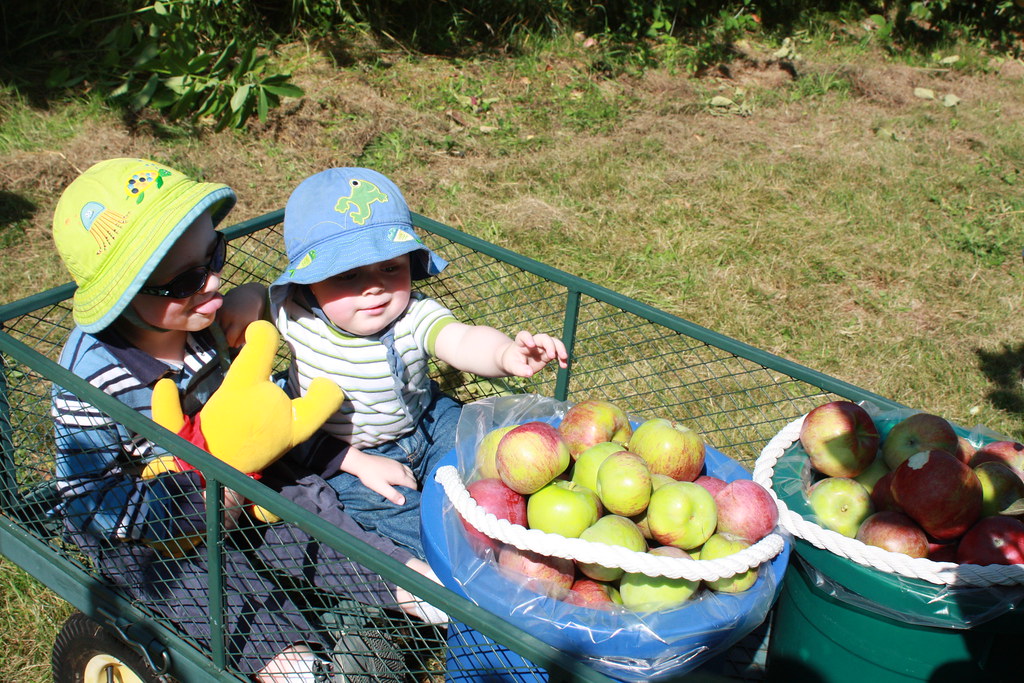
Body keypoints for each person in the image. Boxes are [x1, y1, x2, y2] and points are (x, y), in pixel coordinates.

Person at [50, 158, 444, 683]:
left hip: (235, 479)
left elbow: (258, 417)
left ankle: (409, 586)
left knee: (307, 508)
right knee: (206, 584)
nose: (214, 280)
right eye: (188, 277)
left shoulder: (207, 326)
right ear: (124, 296)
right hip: (153, 526)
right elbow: (89, 497)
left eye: (215, 253)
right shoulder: (91, 379)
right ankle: (295, 666)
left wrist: (345, 456)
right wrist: (204, 506)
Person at [267, 167, 568, 560]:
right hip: (344, 451)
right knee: (398, 513)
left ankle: (519, 536)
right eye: (348, 275)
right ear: (307, 283)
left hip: (425, 420)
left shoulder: (413, 314)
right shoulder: (294, 319)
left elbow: (460, 339)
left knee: (490, 461)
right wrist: (356, 462)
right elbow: (247, 313)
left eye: (391, 268)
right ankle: (456, 563)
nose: (374, 286)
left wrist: (506, 355)